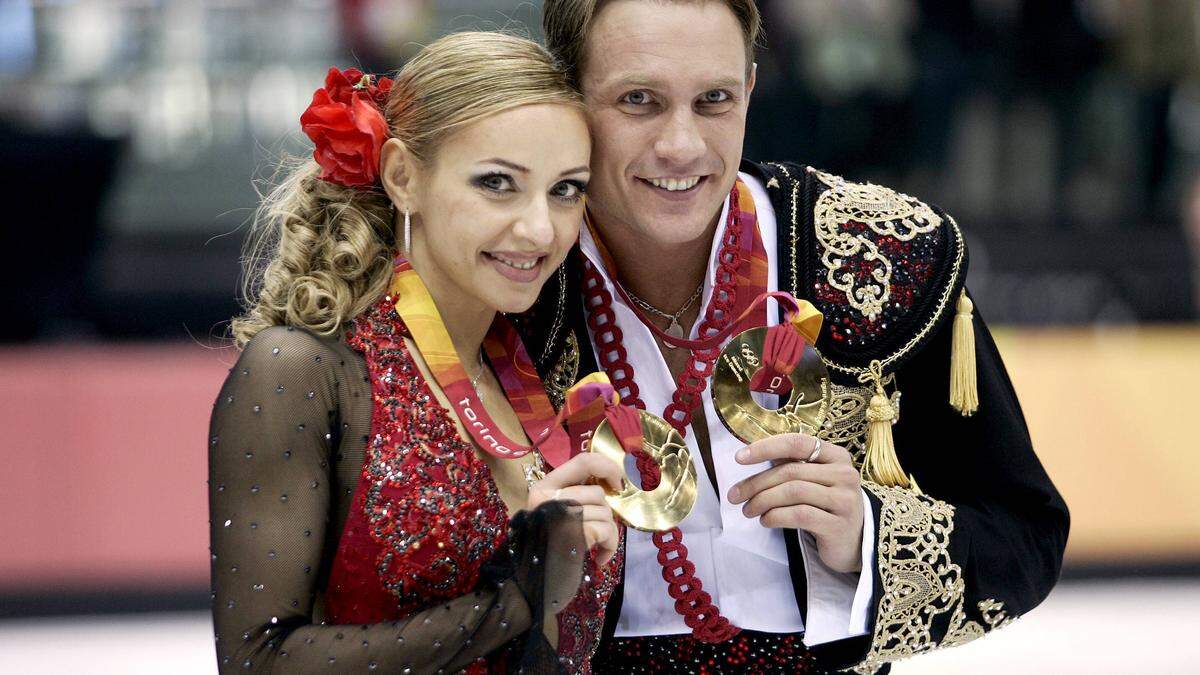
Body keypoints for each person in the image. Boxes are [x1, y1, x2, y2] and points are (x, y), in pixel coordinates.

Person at [509, 1, 1071, 672]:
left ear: (749, 88)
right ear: (568, 97)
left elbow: (1025, 535)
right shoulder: (512, 285)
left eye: (713, 99)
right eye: (639, 101)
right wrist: (525, 561)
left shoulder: (883, 259)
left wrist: (866, 534)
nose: (681, 145)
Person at [208, 31, 628, 674]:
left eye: (566, 189)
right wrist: (517, 597)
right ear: (403, 176)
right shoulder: (303, 370)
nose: (541, 228)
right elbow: (257, 661)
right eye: (498, 184)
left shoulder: (543, 366)